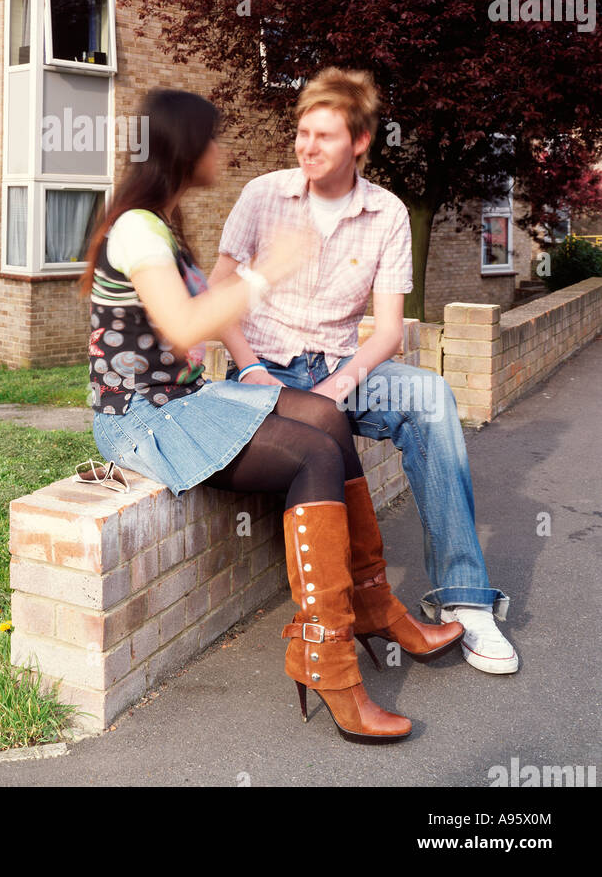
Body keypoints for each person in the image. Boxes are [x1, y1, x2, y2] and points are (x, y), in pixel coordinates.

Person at [79, 86, 463, 744]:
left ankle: (371, 604)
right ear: (187, 147)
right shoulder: (139, 227)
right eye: (214, 139)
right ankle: (328, 658)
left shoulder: (161, 221)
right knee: (311, 454)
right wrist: (269, 273)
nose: (223, 151)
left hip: (184, 400)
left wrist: (250, 338)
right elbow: (183, 325)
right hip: (140, 416)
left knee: (324, 416)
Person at [211, 66, 518, 675]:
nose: (308, 147)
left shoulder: (387, 213)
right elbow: (218, 295)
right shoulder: (263, 196)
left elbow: (388, 330)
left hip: (339, 370)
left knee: (429, 397)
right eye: (302, 133)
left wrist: (339, 384)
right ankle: (357, 611)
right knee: (309, 417)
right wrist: (248, 370)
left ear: (358, 143)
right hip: (263, 373)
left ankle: (466, 600)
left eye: (324, 136)